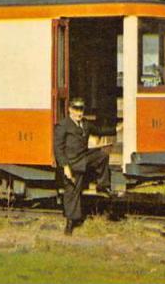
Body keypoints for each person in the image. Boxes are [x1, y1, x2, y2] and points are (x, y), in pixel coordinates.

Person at [53, 97, 112, 235]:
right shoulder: (63, 125)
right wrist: (66, 167)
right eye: (76, 109)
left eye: (81, 110)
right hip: (72, 163)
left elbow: (99, 130)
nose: (79, 113)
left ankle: (102, 185)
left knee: (102, 155)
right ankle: (70, 224)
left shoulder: (85, 124)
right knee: (72, 193)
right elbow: (58, 149)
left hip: (84, 157)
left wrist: (117, 128)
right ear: (70, 110)